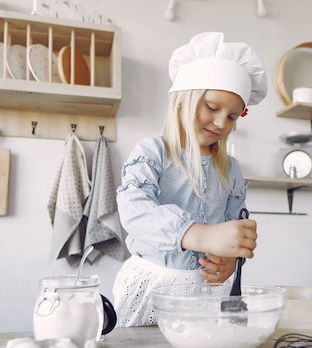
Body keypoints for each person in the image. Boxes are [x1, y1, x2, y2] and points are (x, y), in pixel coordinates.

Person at [112, 32, 268, 326]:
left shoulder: (231, 170)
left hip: (205, 292)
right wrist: (200, 234)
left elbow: (233, 228)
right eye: (212, 108)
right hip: (150, 288)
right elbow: (134, 210)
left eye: (233, 116)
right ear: (183, 101)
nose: (222, 123)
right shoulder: (152, 152)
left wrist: (230, 262)